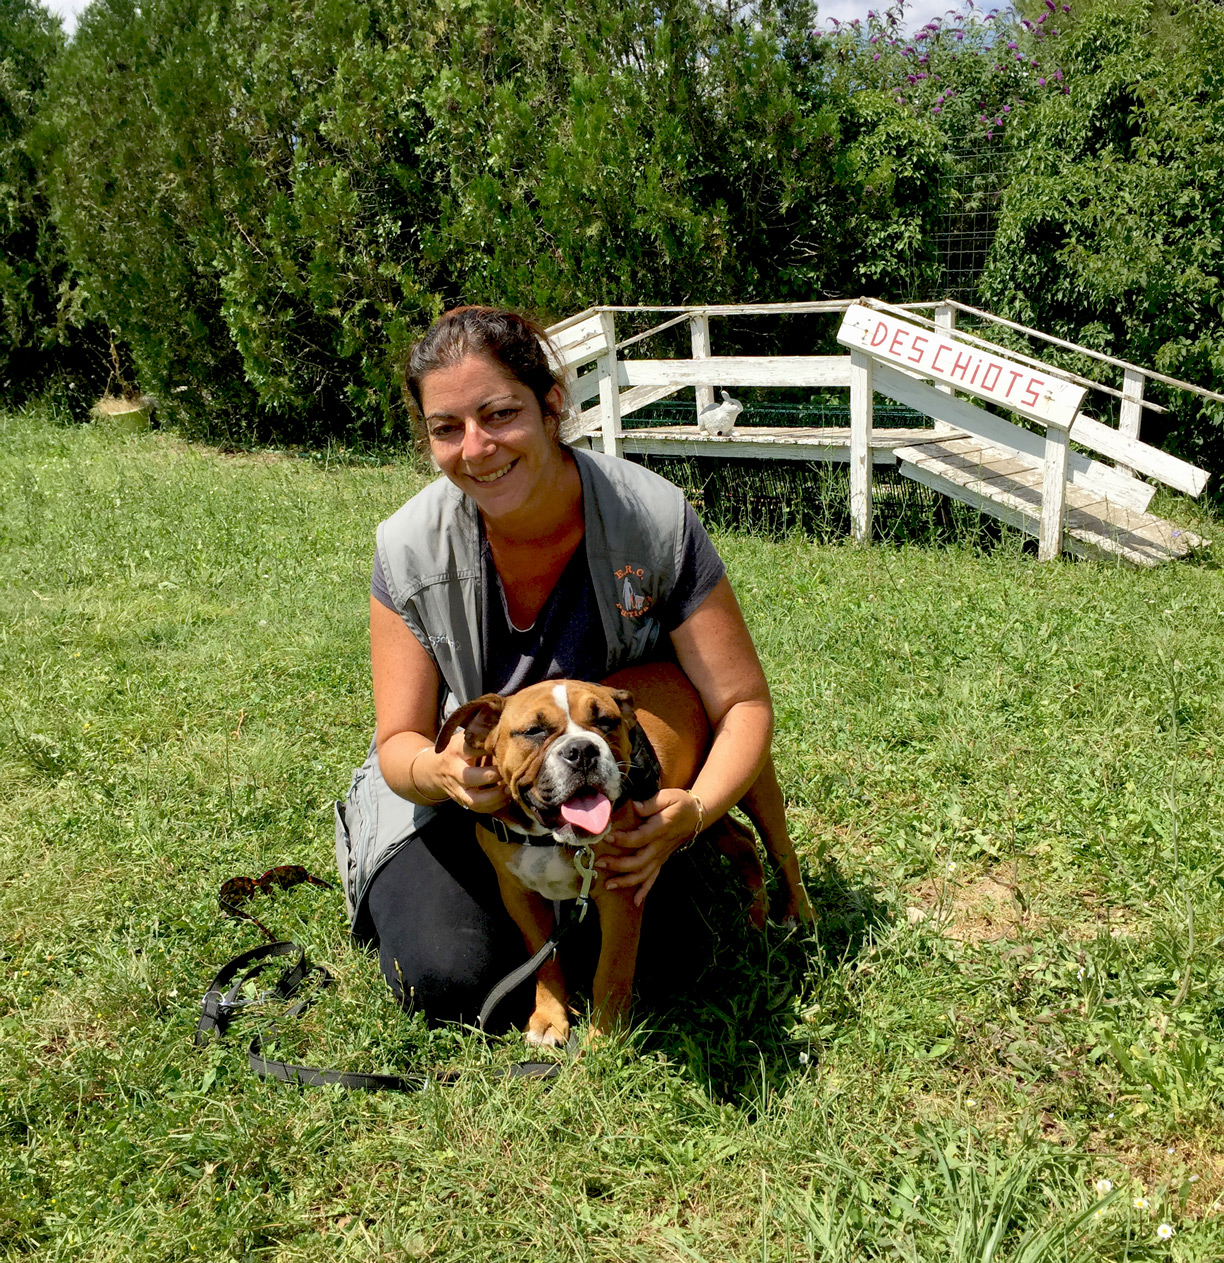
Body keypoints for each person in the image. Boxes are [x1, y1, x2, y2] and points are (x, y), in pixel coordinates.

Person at [335, 306, 804, 1028]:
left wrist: (696, 811)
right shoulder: (408, 550)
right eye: (447, 428)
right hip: (475, 802)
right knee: (448, 977)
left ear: (552, 404)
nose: (478, 447)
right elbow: (400, 742)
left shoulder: (651, 517)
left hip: (625, 786)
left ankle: (723, 878)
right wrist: (448, 776)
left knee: (680, 963)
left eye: (500, 413)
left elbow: (742, 704)